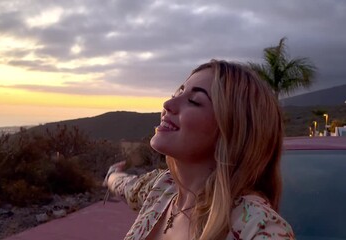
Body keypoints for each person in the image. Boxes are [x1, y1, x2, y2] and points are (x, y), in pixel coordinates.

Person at [103, 60, 295, 240]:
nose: (167, 105)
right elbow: (126, 185)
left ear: (233, 130)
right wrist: (112, 174)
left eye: (194, 100)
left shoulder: (256, 227)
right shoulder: (162, 188)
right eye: (178, 94)